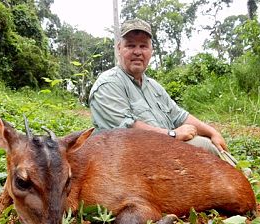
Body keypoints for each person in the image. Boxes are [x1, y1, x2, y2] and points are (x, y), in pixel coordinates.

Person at [89, 18, 234, 161]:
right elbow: (126, 131)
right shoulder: (108, 84)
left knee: (209, 141)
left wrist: (212, 132)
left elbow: (179, 116)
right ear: (119, 48)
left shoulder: (153, 86)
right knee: (203, 147)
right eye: (131, 45)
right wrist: (172, 134)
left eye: (143, 46)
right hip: (131, 160)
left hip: (162, 151)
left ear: (151, 51)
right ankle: (237, 178)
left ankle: (239, 176)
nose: (137, 52)